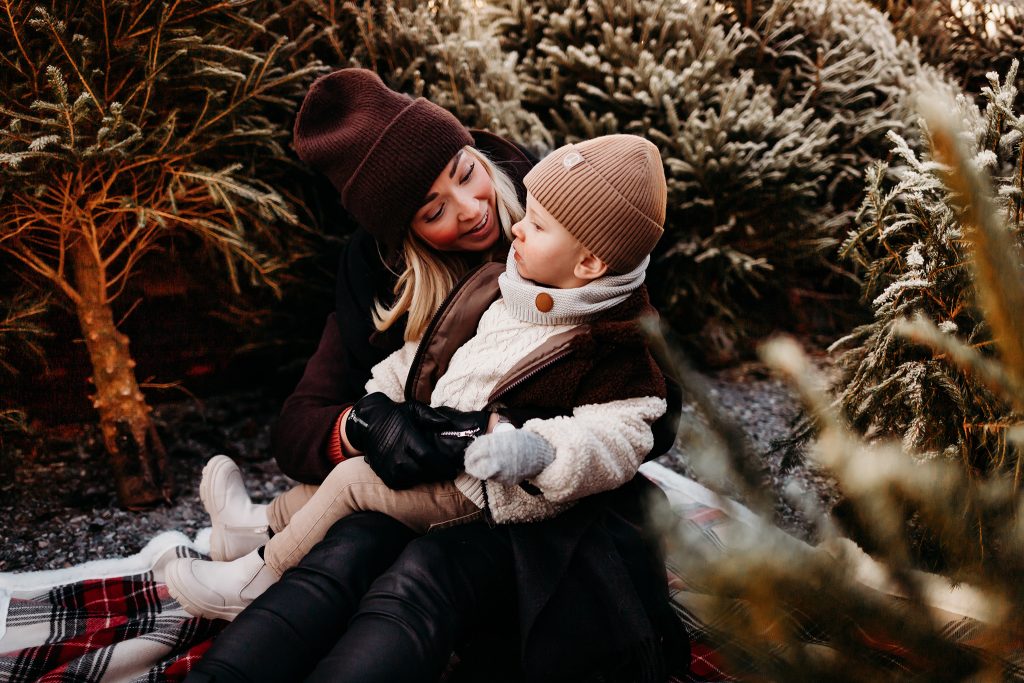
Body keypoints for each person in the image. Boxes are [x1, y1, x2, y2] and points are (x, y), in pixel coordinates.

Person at [183, 69, 686, 683]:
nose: (475, 210)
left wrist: (501, 436)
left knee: (395, 546)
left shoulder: (567, 205)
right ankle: (254, 559)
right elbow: (301, 422)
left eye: (468, 174)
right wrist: (368, 423)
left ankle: (258, 559)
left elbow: (645, 403)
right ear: (404, 234)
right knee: (354, 532)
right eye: (433, 210)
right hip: (432, 479)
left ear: (474, 152)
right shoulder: (377, 272)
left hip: (541, 503)